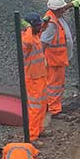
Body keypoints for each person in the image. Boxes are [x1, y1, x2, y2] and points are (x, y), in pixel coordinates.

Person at [42, 0, 80, 116]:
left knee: (56, 84)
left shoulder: (53, 15)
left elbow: (62, 8)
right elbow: (43, 42)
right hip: (54, 60)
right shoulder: (51, 24)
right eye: (62, 8)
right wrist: (40, 58)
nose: (64, 10)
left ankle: (52, 106)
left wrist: (71, 4)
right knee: (55, 86)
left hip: (58, 58)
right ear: (57, 10)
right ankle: (54, 110)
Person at [21, 13, 48, 141]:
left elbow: (41, 31)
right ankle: (32, 136)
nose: (40, 27)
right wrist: (28, 28)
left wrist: (44, 23)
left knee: (42, 105)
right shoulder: (26, 39)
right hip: (32, 78)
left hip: (40, 76)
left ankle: (39, 129)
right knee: (35, 108)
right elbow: (28, 41)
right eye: (36, 25)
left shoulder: (35, 35)